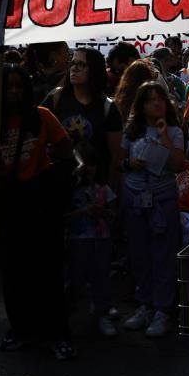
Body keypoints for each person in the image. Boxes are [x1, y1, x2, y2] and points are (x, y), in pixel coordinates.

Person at [0, 64, 75, 357]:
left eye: (19, 86)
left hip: (40, 200)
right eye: (9, 87)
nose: (14, 92)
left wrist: (54, 174)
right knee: (14, 271)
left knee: (48, 270)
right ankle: (21, 329)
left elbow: (65, 148)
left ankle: (57, 333)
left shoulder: (41, 117)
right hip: (7, 202)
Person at [119, 82, 187, 338]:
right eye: (150, 100)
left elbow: (179, 164)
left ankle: (163, 309)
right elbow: (119, 162)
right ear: (141, 105)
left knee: (164, 254)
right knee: (139, 253)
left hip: (162, 198)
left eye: (160, 99)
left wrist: (165, 137)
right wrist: (130, 163)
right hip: (135, 197)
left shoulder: (174, 131)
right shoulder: (132, 131)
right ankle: (145, 304)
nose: (156, 104)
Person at [43, 48, 123, 189]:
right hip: (58, 184)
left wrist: (109, 194)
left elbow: (115, 157)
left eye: (81, 64)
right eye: (73, 63)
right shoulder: (55, 98)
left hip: (94, 189)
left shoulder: (107, 107)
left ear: (95, 69)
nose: (74, 68)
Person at [65, 143, 119, 337]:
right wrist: (84, 211)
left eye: (92, 164)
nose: (88, 168)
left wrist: (105, 213)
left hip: (101, 238)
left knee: (101, 275)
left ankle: (102, 312)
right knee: (75, 277)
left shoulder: (103, 189)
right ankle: (70, 314)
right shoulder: (71, 191)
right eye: (85, 164)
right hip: (78, 239)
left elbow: (113, 214)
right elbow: (64, 215)